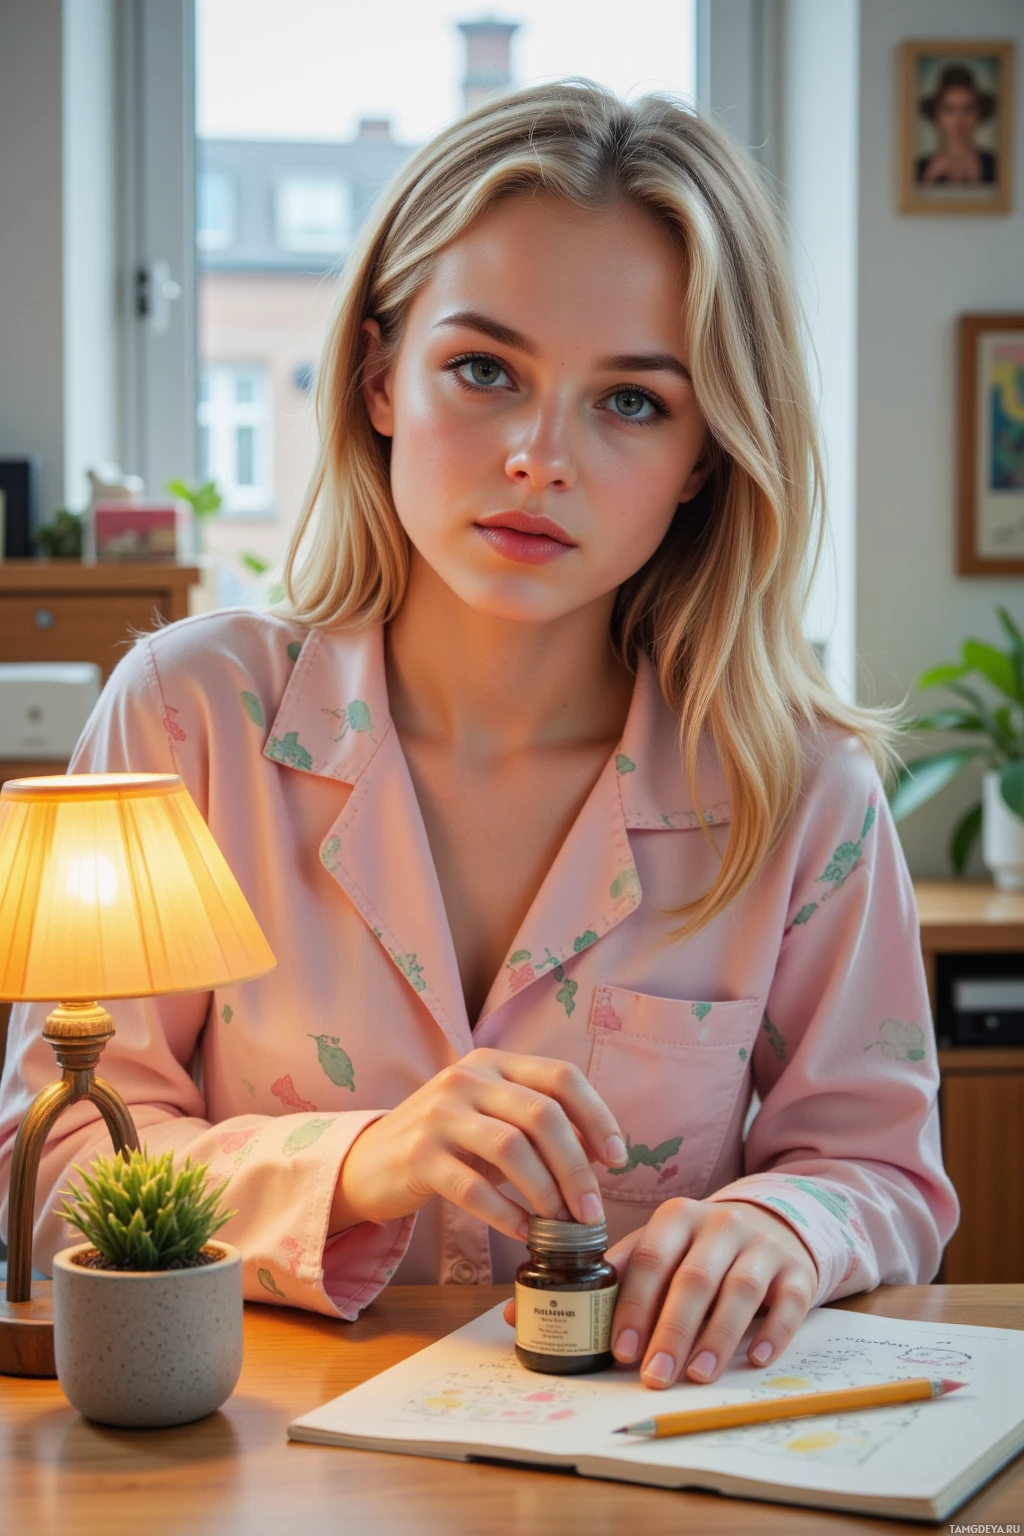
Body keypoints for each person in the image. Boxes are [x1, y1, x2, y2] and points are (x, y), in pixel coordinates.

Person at [0, 80, 959, 1392]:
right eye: (485, 370)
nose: (537, 457)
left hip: (642, 1479)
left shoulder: (799, 790)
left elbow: (882, 1172)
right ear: (380, 372)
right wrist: (358, 1165)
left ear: (703, 459)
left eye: (631, 401)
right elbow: (53, 1167)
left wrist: (777, 1224)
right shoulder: (186, 718)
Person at [915, 62, 997, 185]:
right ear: (936, 115)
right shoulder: (918, 168)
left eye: (968, 109)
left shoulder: (996, 166)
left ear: (979, 115)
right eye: (949, 109)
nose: (959, 119)